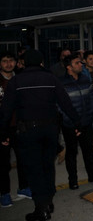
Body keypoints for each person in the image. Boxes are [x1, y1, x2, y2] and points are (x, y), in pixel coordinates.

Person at [0, 50, 81, 221]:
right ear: (41, 62)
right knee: (48, 167)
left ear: (25, 63)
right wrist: (77, 123)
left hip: (28, 131)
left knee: (34, 169)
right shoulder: (51, 79)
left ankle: (41, 208)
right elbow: (65, 103)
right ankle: (48, 202)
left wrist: (3, 133)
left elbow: (6, 111)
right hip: (51, 130)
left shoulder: (16, 81)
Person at [60, 53, 93, 189]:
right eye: (77, 63)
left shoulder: (85, 79)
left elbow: (91, 98)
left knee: (88, 151)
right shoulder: (62, 83)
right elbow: (60, 107)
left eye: (80, 62)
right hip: (70, 125)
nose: (81, 65)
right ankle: (73, 180)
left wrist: (90, 116)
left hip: (86, 122)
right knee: (72, 153)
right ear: (69, 67)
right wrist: (72, 123)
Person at [0, 51, 30, 207]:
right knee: (3, 164)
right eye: (5, 61)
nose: (8, 64)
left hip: (19, 126)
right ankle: (4, 193)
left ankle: (24, 188)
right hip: (2, 128)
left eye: (11, 60)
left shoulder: (20, 79)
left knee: (23, 159)